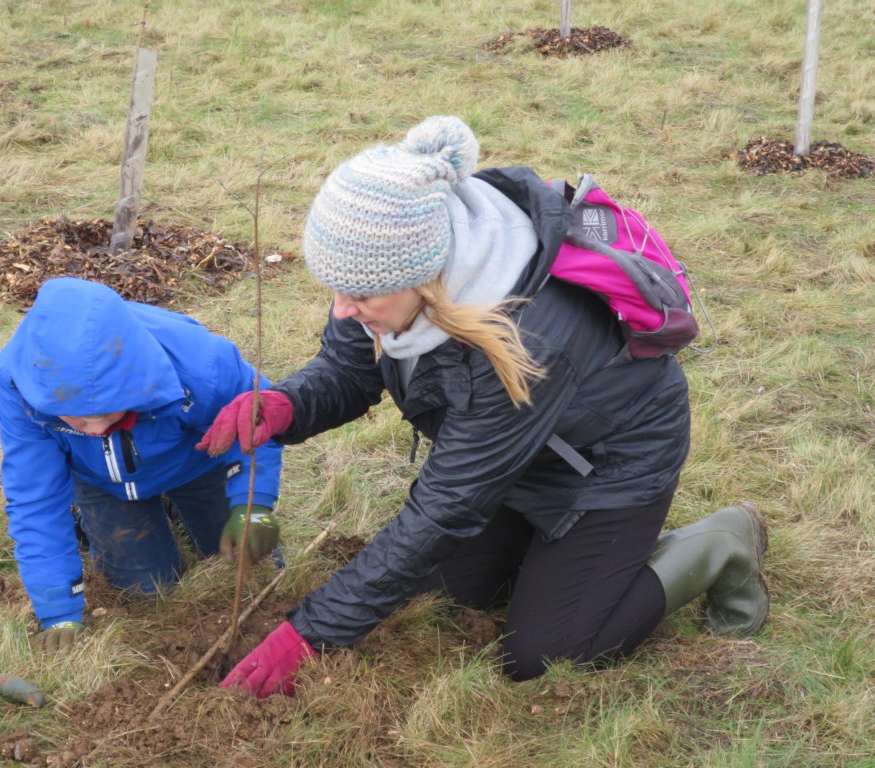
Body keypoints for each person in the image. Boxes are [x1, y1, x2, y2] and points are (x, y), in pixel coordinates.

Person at [199, 116, 769, 698]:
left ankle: (719, 542)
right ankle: (553, 559)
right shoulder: (383, 271)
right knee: (435, 596)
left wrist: (310, 634)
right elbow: (347, 370)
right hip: (509, 459)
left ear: (428, 278)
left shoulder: (528, 338)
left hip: (608, 468)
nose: (342, 309)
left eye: (359, 295)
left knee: (546, 653)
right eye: (335, 290)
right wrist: (287, 405)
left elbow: (446, 506)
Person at [0, 277, 283, 653]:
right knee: (146, 589)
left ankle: (182, 503)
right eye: (78, 420)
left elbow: (257, 423)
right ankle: (103, 518)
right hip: (101, 481)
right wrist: (58, 609)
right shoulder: (23, 385)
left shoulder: (200, 364)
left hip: (194, 460)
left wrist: (254, 504)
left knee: (241, 562)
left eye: (107, 411)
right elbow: (35, 498)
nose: (97, 429)